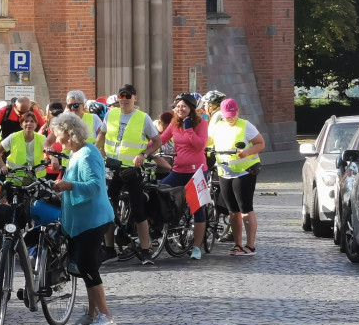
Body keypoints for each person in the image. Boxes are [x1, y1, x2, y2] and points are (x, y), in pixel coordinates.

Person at [51, 111, 117, 325]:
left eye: (58, 134)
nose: (57, 140)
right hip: (85, 220)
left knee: (88, 266)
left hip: (93, 220)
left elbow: (95, 186)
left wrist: (68, 186)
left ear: (70, 134)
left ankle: (106, 316)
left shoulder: (87, 154)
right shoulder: (78, 152)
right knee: (86, 266)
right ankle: (92, 314)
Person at [102, 83, 161, 264]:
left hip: (132, 170)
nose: (125, 100)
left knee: (138, 210)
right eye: (122, 96)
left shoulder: (143, 118)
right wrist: (99, 154)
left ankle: (145, 250)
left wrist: (143, 155)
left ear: (135, 98)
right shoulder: (111, 114)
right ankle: (109, 248)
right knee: (106, 209)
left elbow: (157, 141)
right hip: (112, 168)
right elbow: (101, 136)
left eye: (128, 96)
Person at [209, 97, 265, 256]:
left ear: (238, 111)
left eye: (232, 114)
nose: (230, 117)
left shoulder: (246, 126)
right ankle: (238, 245)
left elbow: (260, 143)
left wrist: (246, 152)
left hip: (244, 171)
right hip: (224, 172)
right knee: (232, 211)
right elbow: (207, 142)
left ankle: (251, 246)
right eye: (227, 115)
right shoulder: (217, 127)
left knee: (245, 208)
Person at [157, 94, 210, 259]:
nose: (180, 109)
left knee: (197, 208)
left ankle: (196, 247)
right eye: (177, 106)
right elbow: (161, 139)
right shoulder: (174, 123)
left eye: (184, 106)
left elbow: (200, 144)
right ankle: (169, 223)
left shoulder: (201, 123)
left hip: (197, 171)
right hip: (178, 170)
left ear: (191, 109)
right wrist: (144, 150)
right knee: (159, 191)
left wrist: (188, 129)